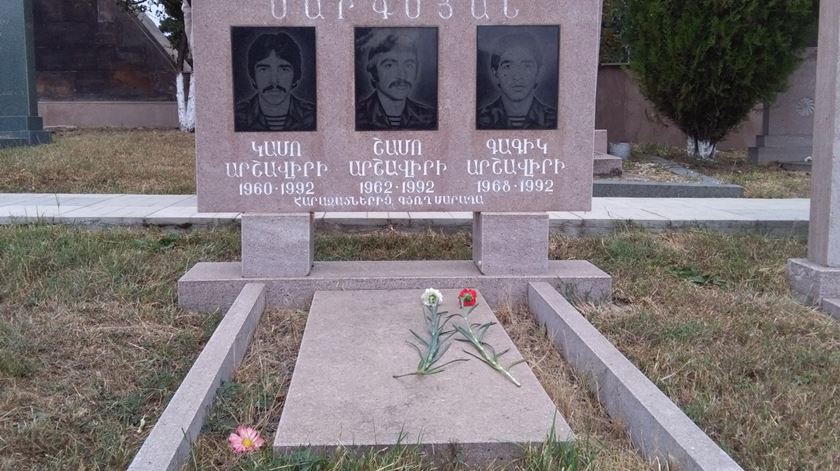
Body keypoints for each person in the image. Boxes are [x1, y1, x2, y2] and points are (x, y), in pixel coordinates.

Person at [235, 32, 316, 132]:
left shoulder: (313, 115)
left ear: (296, 75)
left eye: (283, 70)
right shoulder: (236, 115)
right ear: (252, 76)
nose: (274, 81)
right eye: (264, 70)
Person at [356, 30, 436, 131]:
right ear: (373, 73)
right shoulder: (355, 116)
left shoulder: (430, 117)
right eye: (389, 65)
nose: (402, 75)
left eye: (408, 65)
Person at [477, 32, 557, 130]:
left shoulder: (555, 120)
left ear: (538, 72)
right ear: (495, 73)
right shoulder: (479, 120)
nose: (517, 77)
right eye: (508, 67)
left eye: (526, 66)